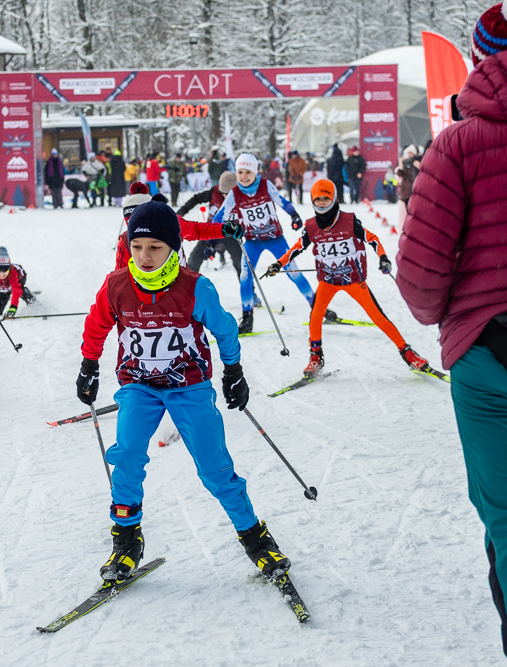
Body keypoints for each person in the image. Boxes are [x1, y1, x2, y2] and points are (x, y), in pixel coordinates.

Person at [396, 4, 507, 664]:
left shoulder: (457, 145)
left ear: (477, 53)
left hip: (493, 362)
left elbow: (420, 278)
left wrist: (454, 307)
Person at [75, 195, 291, 585]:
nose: (143, 256)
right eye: (136, 247)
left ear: (174, 247)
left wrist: (234, 371)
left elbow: (224, 330)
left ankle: (255, 538)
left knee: (214, 469)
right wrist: (88, 365)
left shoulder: (195, 288)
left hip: (188, 388)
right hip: (139, 387)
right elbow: (96, 326)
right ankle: (126, 541)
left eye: (155, 247)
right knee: (125, 459)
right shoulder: (117, 285)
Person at [266, 179, 431, 378]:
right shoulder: (311, 226)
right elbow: (296, 248)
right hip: (327, 281)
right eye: (317, 199)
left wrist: (383, 258)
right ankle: (316, 357)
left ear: (334, 198)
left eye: (325, 199)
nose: (321, 203)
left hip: (353, 279)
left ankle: (408, 353)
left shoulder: (349, 220)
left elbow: (373, 239)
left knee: (378, 317)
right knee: (315, 317)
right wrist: (278, 264)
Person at [211, 153, 317, 333]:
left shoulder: (265, 186)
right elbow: (218, 218)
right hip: (252, 242)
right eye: (240, 172)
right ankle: (247, 318)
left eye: (248, 172)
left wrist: (294, 215)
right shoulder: (234, 193)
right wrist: (219, 231)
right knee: (245, 277)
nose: (244, 177)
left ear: (255, 171)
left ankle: (316, 307)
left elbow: (282, 202)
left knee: (294, 272)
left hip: (276, 239)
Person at [117, 185, 237, 270]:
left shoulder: (170, 222)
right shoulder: (125, 241)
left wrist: (223, 230)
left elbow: (197, 230)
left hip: (178, 285)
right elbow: (118, 280)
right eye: (131, 221)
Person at [179, 171, 243, 274]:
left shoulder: (242, 195)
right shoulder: (214, 192)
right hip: (211, 232)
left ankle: (248, 289)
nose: (225, 197)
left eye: (228, 194)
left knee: (241, 264)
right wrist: (180, 212)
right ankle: (189, 286)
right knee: (193, 260)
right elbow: (195, 199)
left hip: (232, 235)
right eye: (222, 193)